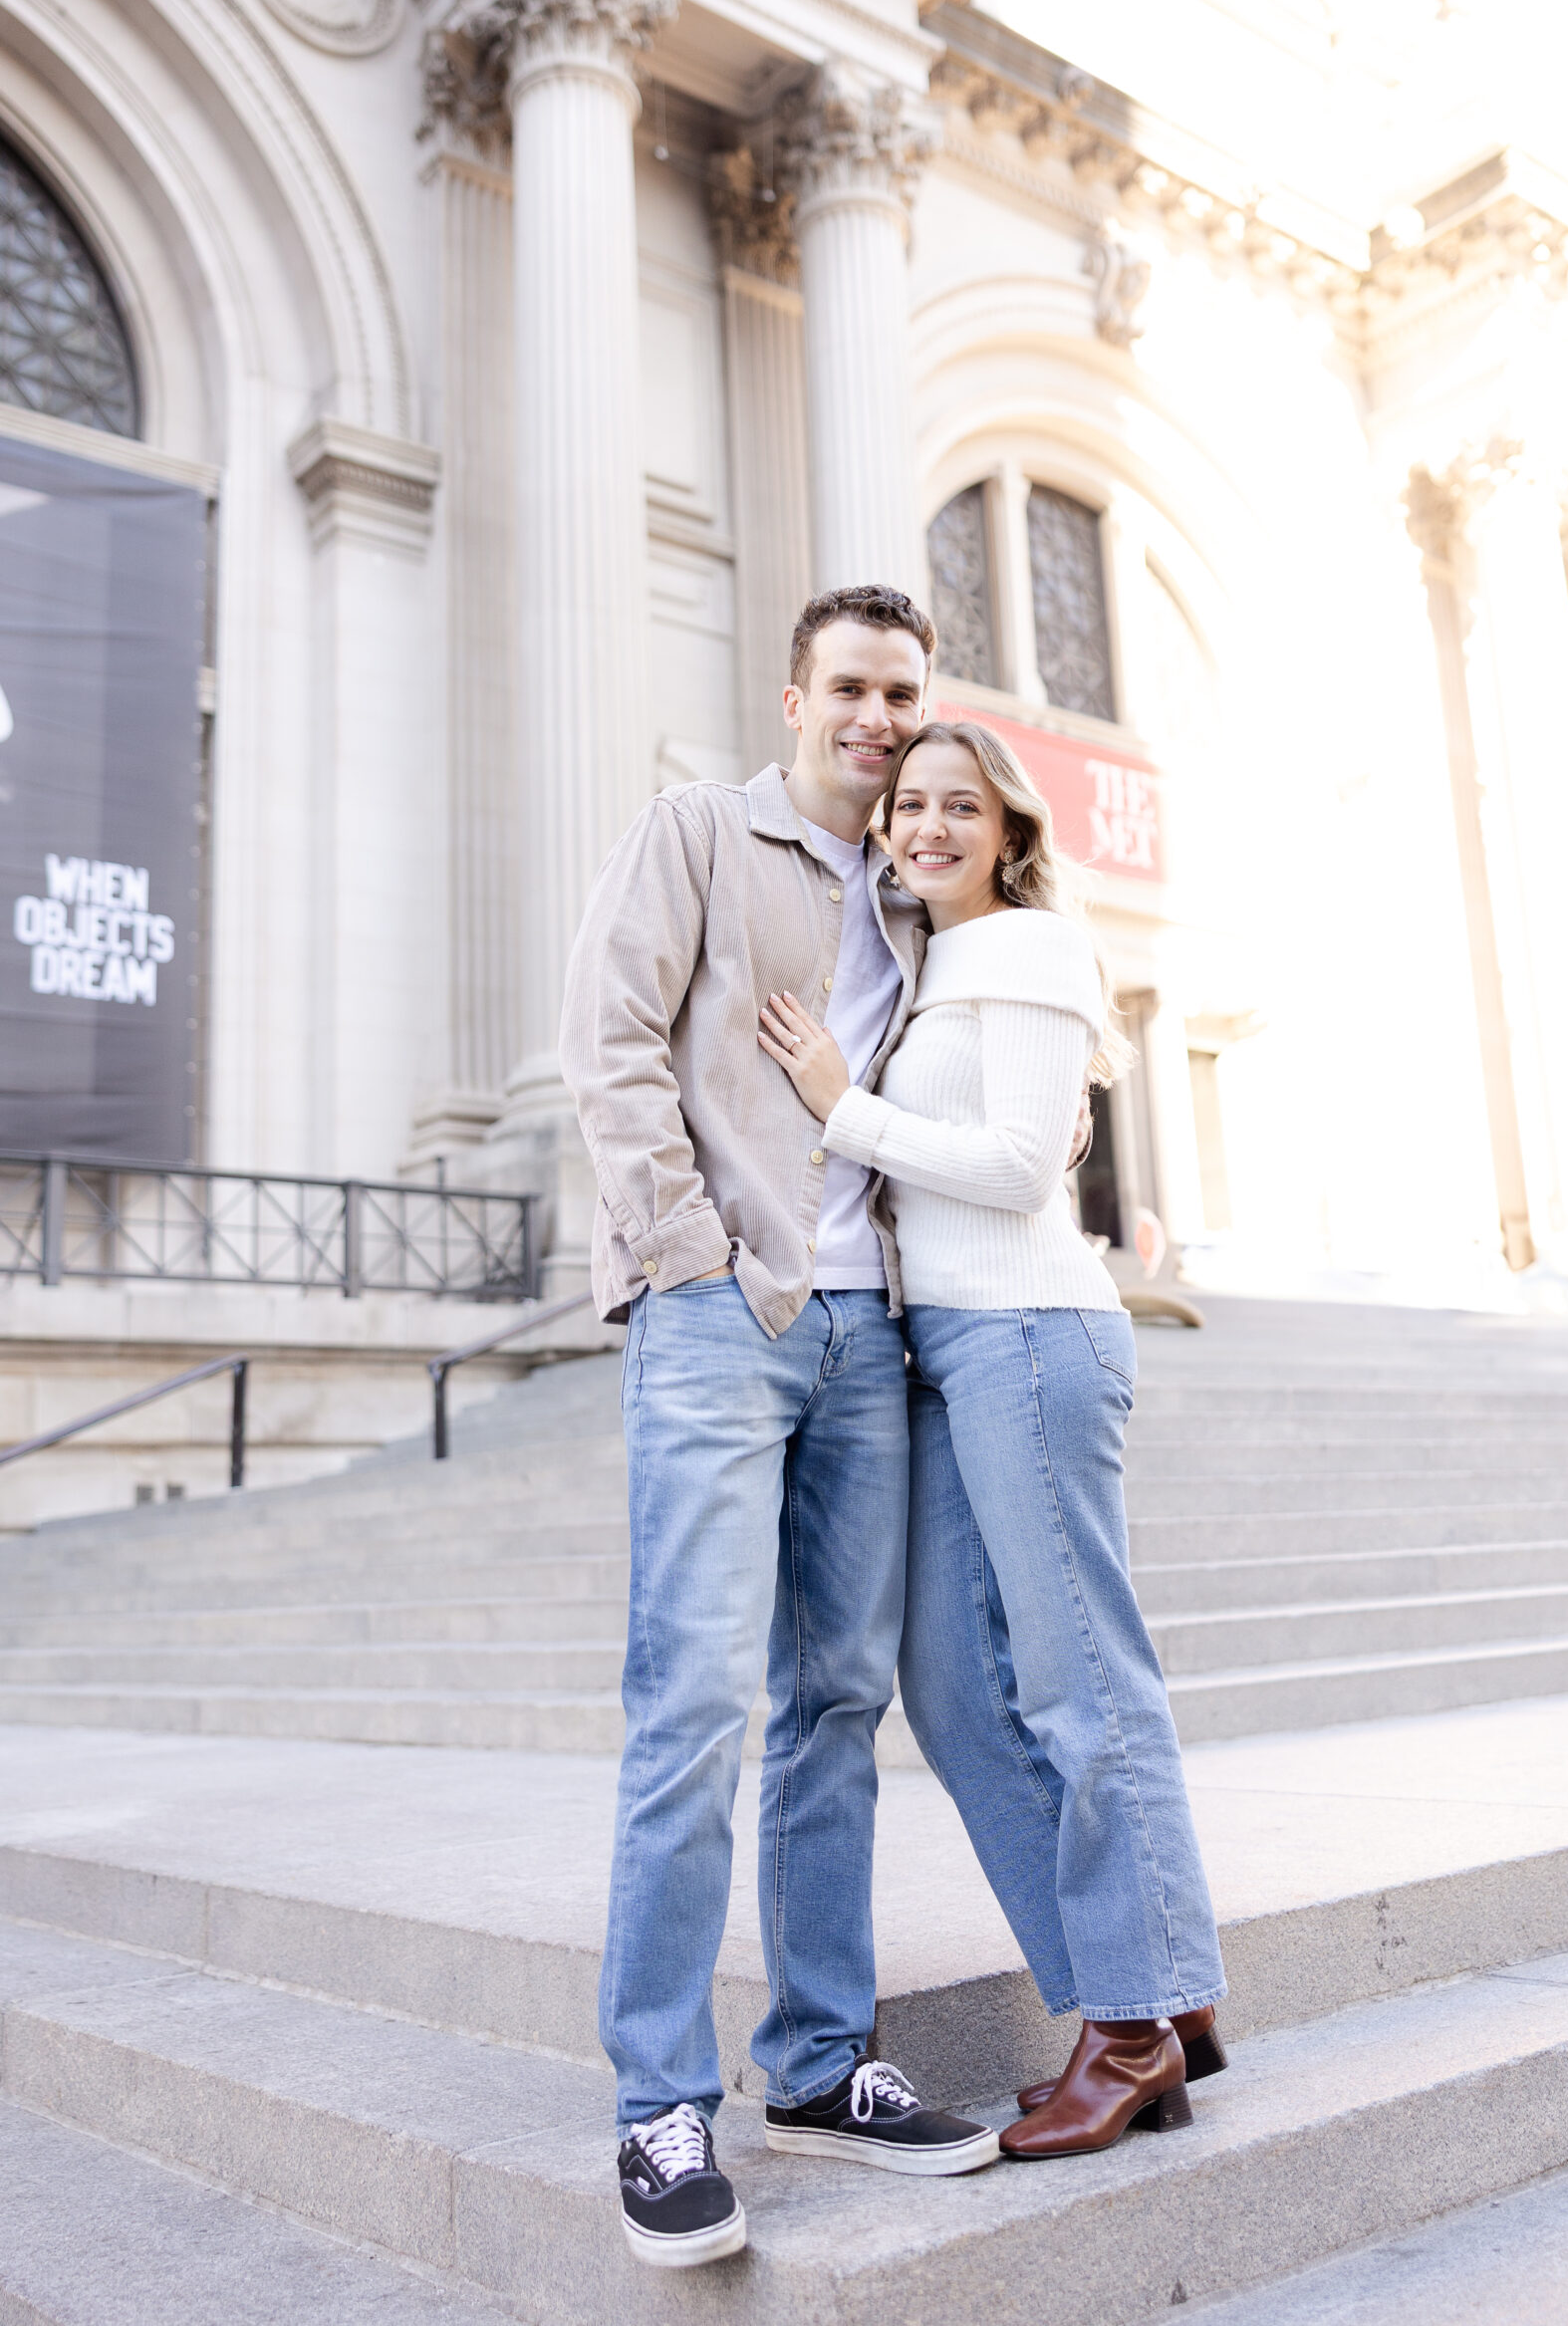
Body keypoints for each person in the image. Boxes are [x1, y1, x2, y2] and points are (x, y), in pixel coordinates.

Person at [560, 588, 999, 2272]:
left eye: (905, 691)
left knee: (836, 1705)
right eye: (854, 688)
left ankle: (819, 2065)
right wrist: (691, 1257)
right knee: (690, 1708)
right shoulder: (697, 832)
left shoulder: (913, 888)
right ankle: (659, 2101)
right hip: (723, 1316)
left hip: (871, 1336)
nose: (881, 717)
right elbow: (609, 1040)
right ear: (797, 696)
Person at [759, 715, 1227, 2161]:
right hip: (941, 1351)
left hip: (1029, 1331)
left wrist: (842, 1110)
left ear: (1011, 829)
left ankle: (1133, 2026)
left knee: (1083, 1682)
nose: (929, 827)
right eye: (910, 804)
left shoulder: (1026, 947)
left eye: (962, 806)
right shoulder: (924, 961)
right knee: (955, 1690)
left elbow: (1023, 1170)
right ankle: (1159, 1989)